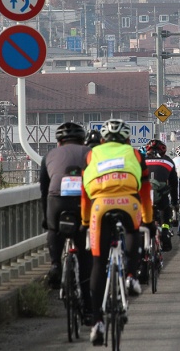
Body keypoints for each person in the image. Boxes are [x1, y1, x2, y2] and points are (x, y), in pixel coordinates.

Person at [81, 119, 153, 346]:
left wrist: (84, 221)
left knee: (97, 263)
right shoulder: (134, 153)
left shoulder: (92, 155)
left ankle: (97, 323)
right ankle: (131, 277)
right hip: (127, 201)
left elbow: (84, 191)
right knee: (133, 230)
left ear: (102, 140)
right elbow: (145, 188)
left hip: (100, 206)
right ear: (127, 140)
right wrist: (149, 221)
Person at [39, 122, 92, 322]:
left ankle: (54, 265)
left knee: (54, 229)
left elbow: (44, 190)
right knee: (85, 257)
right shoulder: (90, 153)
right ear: (83, 140)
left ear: (59, 142)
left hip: (56, 199)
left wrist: (47, 219)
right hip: (83, 200)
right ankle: (87, 309)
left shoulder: (49, 156)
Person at [144, 139, 178, 251]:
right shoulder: (168, 161)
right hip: (161, 194)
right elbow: (173, 184)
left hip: (145, 195)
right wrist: (174, 202)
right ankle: (165, 230)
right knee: (165, 210)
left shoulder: (141, 161)